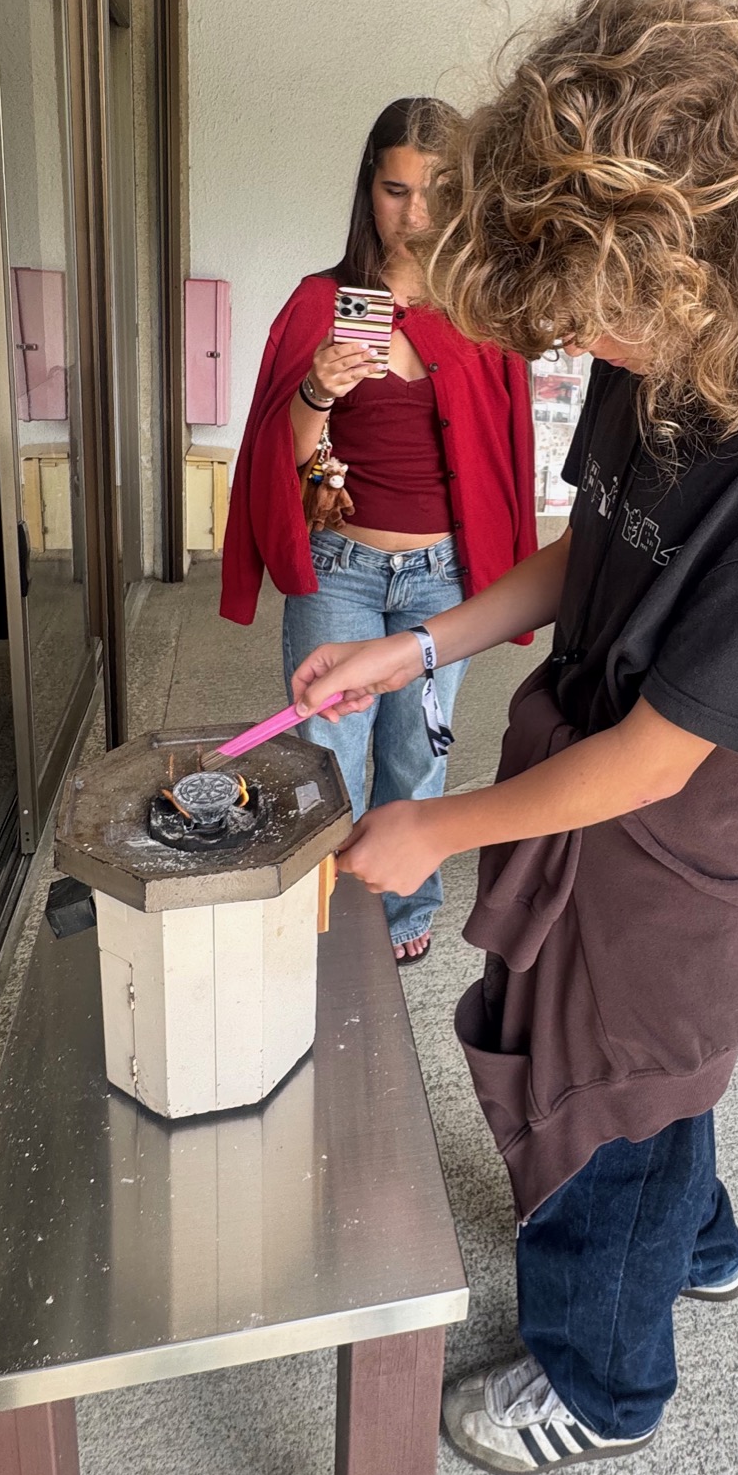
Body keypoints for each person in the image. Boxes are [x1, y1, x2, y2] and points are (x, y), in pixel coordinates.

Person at [291, 0, 738, 1475]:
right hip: (610, 791)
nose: (572, 350)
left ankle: (604, 1381)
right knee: (651, 1084)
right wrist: (416, 647)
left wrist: (428, 823)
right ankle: (695, 1240)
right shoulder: (660, 345)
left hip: (684, 838)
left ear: (697, 256)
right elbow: (590, 546)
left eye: (588, 320)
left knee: (611, 1091)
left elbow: (661, 753)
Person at [221, 98, 537, 961]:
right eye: (396, 191)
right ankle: (326, 903)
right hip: (342, 567)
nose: (415, 215)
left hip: (442, 575)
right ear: (369, 191)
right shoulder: (320, 302)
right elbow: (274, 460)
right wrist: (318, 390)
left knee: (416, 753)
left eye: (437, 193)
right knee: (326, 747)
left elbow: (504, 454)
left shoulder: (479, 312)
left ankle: (401, 910)